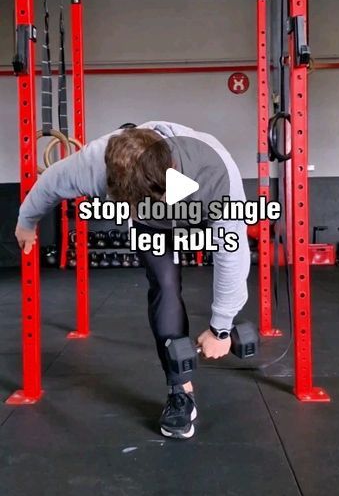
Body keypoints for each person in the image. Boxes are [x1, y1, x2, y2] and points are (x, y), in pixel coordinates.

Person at [15, 121, 250, 439]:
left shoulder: (216, 174)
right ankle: (180, 391)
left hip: (193, 203)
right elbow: (51, 183)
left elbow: (232, 252)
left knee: (209, 251)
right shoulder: (94, 163)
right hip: (150, 221)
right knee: (165, 284)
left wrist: (222, 327)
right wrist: (26, 221)